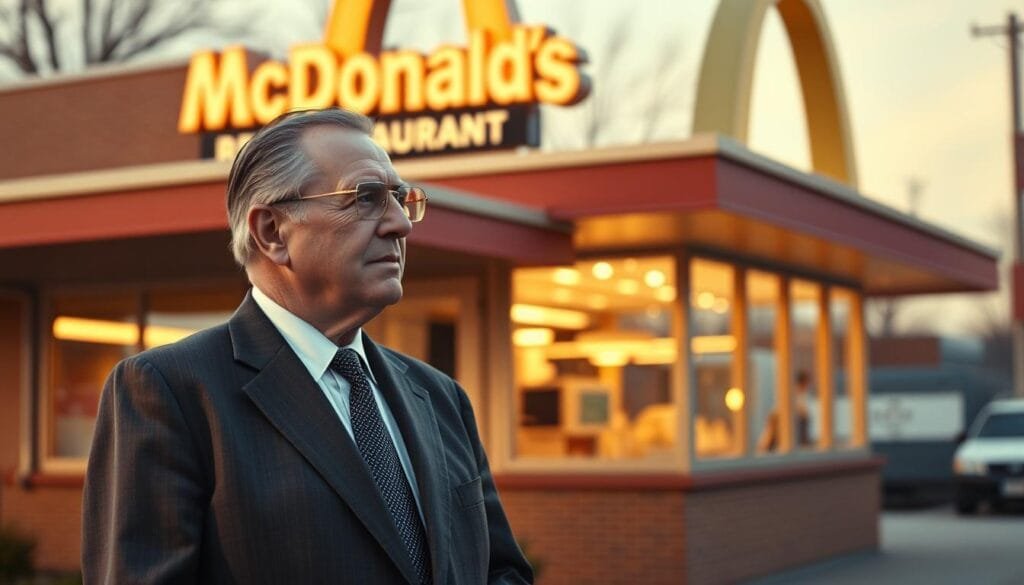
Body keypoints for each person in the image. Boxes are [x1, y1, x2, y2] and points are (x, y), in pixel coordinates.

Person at [82, 108, 533, 584]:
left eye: (401, 199)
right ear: (272, 232)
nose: (401, 224)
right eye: (366, 197)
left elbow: (500, 571)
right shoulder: (171, 391)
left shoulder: (440, 397)